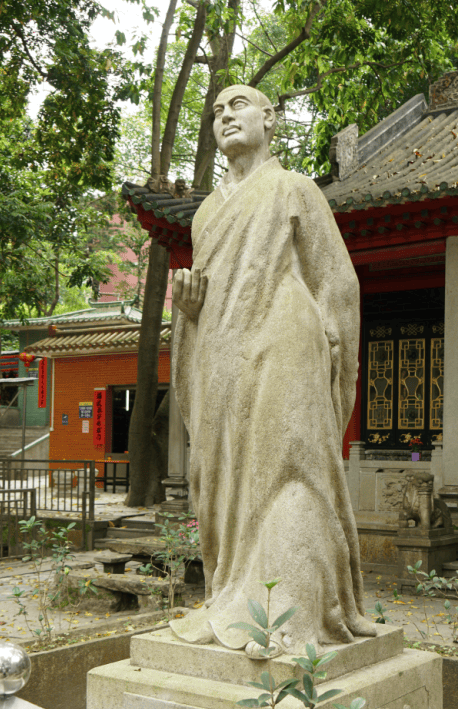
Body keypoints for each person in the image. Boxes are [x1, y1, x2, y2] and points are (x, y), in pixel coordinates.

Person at [167, 85, 378, 653]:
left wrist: (334, 360)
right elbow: (209, 296)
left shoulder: (295, 189)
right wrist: (189, 309)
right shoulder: (208, 212)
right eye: (216, 112)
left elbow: (337, 283)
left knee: (292, 467)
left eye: (237, 105)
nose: (224, 116)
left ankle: (292, 612)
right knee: (225, 476)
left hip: (286, 341)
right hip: (223, 353)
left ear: (270, 118)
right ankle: (232, 598)